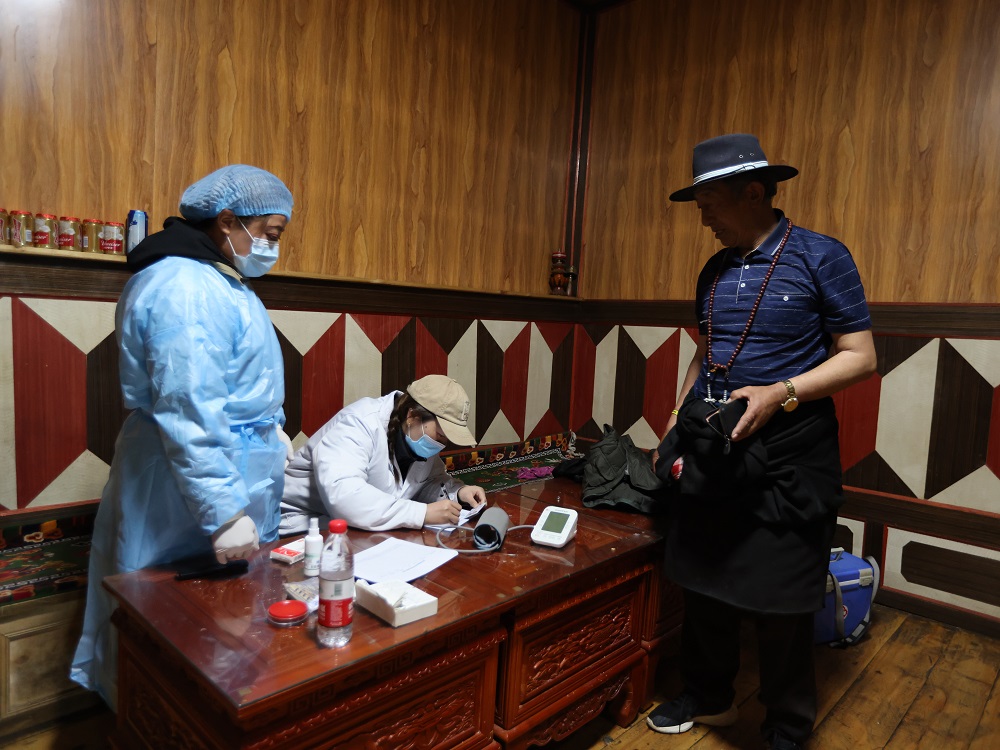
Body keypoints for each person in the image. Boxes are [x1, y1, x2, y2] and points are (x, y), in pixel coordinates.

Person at [646, 134, 876, 750]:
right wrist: (674, 421)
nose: (703, 218)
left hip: (791, 451)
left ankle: (787, 726)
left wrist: (782, 393)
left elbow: (860, 356)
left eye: (709, 204)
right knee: (702, 576)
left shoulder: (822, 256)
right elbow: (706, 354)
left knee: (783, 598)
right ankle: (710, 696)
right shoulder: (714, 270)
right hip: (715, 445)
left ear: (753, 193)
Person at [71, 165, 296, 709]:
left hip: (227, 466)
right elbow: (189, 406)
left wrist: (274, 431)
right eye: (269, 232)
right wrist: (223, 511)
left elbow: (239, 380)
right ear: (227, 220)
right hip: (181, 484)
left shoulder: (219, 280)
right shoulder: (184, 287)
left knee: (219, 622)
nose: (272, 246)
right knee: (167, 618)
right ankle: (156, 723)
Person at [281, 374, 487, 533]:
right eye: (441, 434)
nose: (443, 443)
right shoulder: (358, 423)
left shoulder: (418, 436)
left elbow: (424, 482)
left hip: (357, 528)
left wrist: (458, 493)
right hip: (301, 526)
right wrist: (421, 513)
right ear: (412, 416)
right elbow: (344, 497)